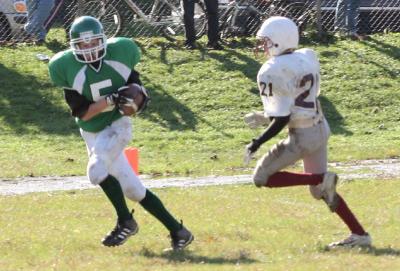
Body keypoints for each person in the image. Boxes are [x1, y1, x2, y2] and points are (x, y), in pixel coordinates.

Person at [48, 16, 193, 250]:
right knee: (134, 190)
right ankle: (179, 231)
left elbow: (138, 91)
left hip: (117, 127)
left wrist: (138, 99)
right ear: (73, 46)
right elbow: (83, 114)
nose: (89, 49)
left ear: (103, 40)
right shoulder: (66, 67)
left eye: (93, 42)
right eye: (82, 45)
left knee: (96, 172)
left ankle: (126, 221)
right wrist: (111, 100)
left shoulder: (120, 55)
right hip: (92, 132)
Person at [244, 16, 371, 248]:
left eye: (266, 41)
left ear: (278, 41)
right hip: (320, 127)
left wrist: (257, 141)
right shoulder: (306, 56)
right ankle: (360, 235)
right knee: (321, 191)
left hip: (302, 136)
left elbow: (282, 118)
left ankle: (321, 178)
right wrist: (264, 116)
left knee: (262, 177)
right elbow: (296, 104)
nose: (262, 45)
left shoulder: (271, 70)